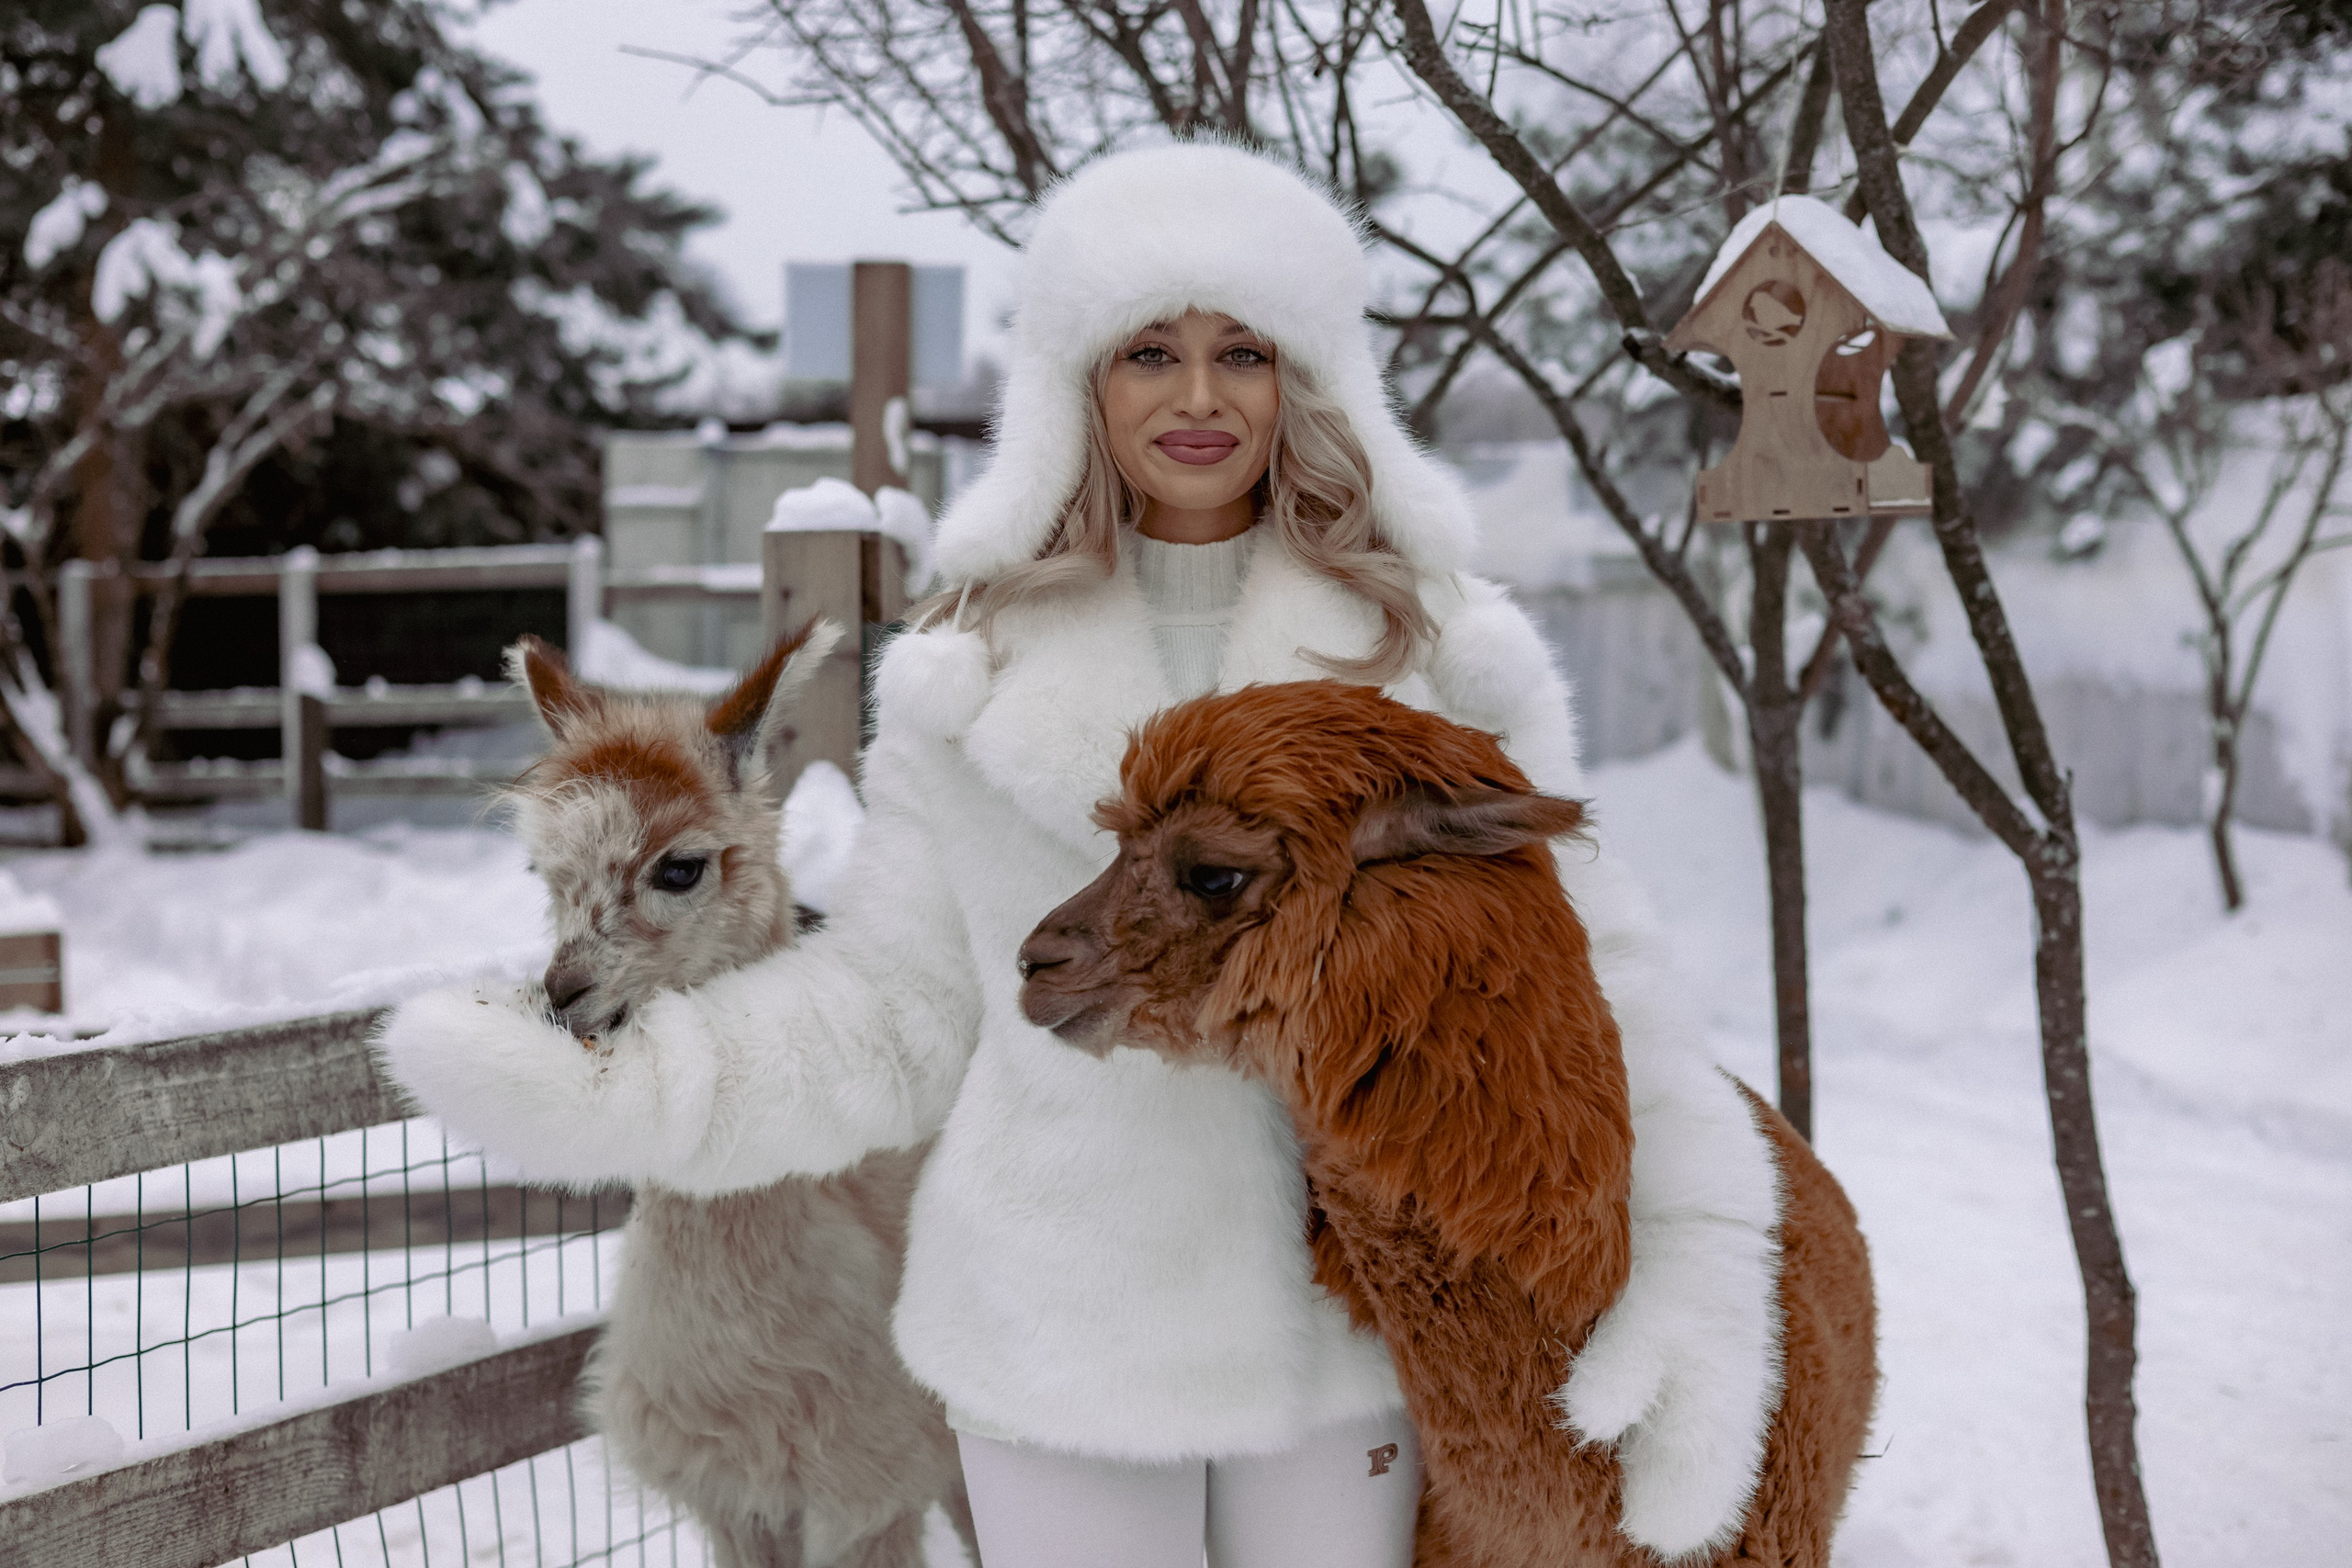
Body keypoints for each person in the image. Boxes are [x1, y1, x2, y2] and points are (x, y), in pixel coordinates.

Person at [381, 141, 1786, 1568]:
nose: (1195, 397)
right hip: (1055, 1327)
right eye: (1147, 352)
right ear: (1077, 382)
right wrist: (626, 1094)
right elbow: (895, 1007)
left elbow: (1587, 981)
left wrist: (1701, 1258)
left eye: (1241, 350)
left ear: (1305, 373)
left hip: (1351, 1322)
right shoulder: (968, 665)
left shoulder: (1435, 658)